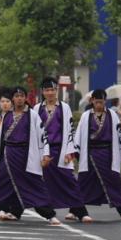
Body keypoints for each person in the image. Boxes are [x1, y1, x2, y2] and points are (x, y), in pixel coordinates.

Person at [0, 86, 60, 226]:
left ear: (25, 98)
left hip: (26, 156)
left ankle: (50, 215)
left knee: (35, 185)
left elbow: (43, 136)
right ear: (13, 98)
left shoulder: (32, 115)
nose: (19, 98)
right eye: (16, 96)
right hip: (8, 154)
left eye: (22, 96)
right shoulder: (6, 115)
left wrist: (45, 154)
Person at [74, 89, 121, 221]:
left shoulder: (112, 115)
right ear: (92, 101)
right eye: (97, 102)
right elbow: (79, 135)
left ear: (105, 101)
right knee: (84, 181)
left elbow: (120, 134)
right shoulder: (86, 116)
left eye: (101, 102)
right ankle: (77, 211)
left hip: (108, 154)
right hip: (89, 154)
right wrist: (75, 151)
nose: (99, 105)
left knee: (114, 181)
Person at [38, 76, 90, 222]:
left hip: (60, 150)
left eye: (52, 90)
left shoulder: (64, 107)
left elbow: (69, 130)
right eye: (47, 90)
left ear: (57, 90)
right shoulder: (37, 109)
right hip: (43, 152)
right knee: (40, 182)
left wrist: (69, 151)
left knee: (69, 181)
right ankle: (21, 211)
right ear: (42, 92)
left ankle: (80, 211)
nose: (50, 93)